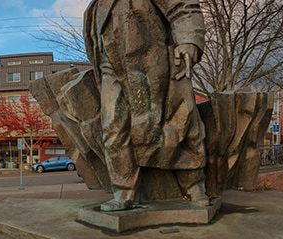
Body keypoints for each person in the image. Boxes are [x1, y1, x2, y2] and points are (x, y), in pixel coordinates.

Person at [84, 0, 208, 211]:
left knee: (177, 121)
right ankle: (124, 192)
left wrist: (189, 41)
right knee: (113, 128)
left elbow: (182, 6)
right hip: (110, 67)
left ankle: (195, 186)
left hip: (151, 59)